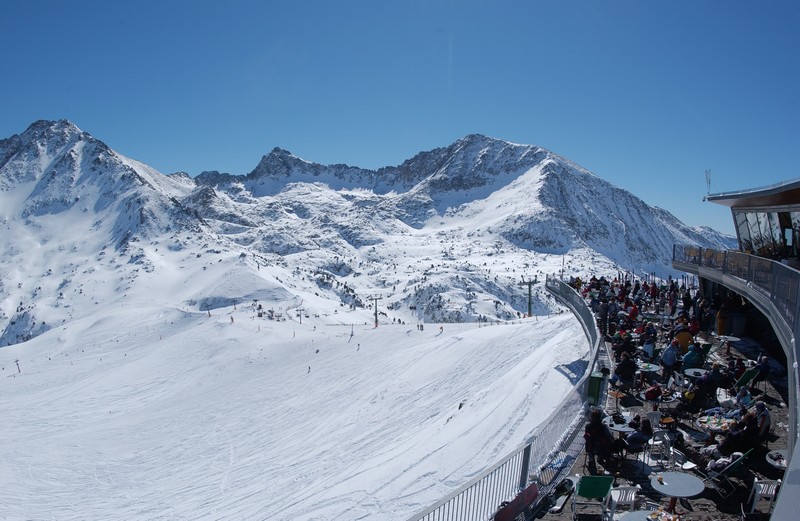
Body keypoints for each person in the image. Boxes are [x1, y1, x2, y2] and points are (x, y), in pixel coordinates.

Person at [584, 408, 614, 472]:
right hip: (602, 449)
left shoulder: (587, 426)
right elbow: (611, 437)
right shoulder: (603, 427)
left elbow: (587, 437)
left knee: (590, 444)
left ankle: (592, 462)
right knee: (609, 443)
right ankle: (605, 460)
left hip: (591, 449)